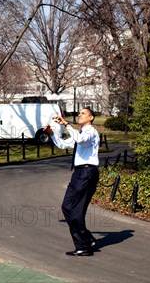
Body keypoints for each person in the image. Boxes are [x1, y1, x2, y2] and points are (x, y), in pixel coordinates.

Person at [44, 108, 100, 256]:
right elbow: (63, 144)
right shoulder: (80, 133)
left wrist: (67, 124)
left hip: (87, 172)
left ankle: (83, 246)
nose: (80, 115)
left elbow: (81, 140)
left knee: (76, 209)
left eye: (83, 113)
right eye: (79, 113)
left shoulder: (91, 132)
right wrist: (52, 134)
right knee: (67, 206)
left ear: (91, 117)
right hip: (79, 173)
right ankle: (86, 237)